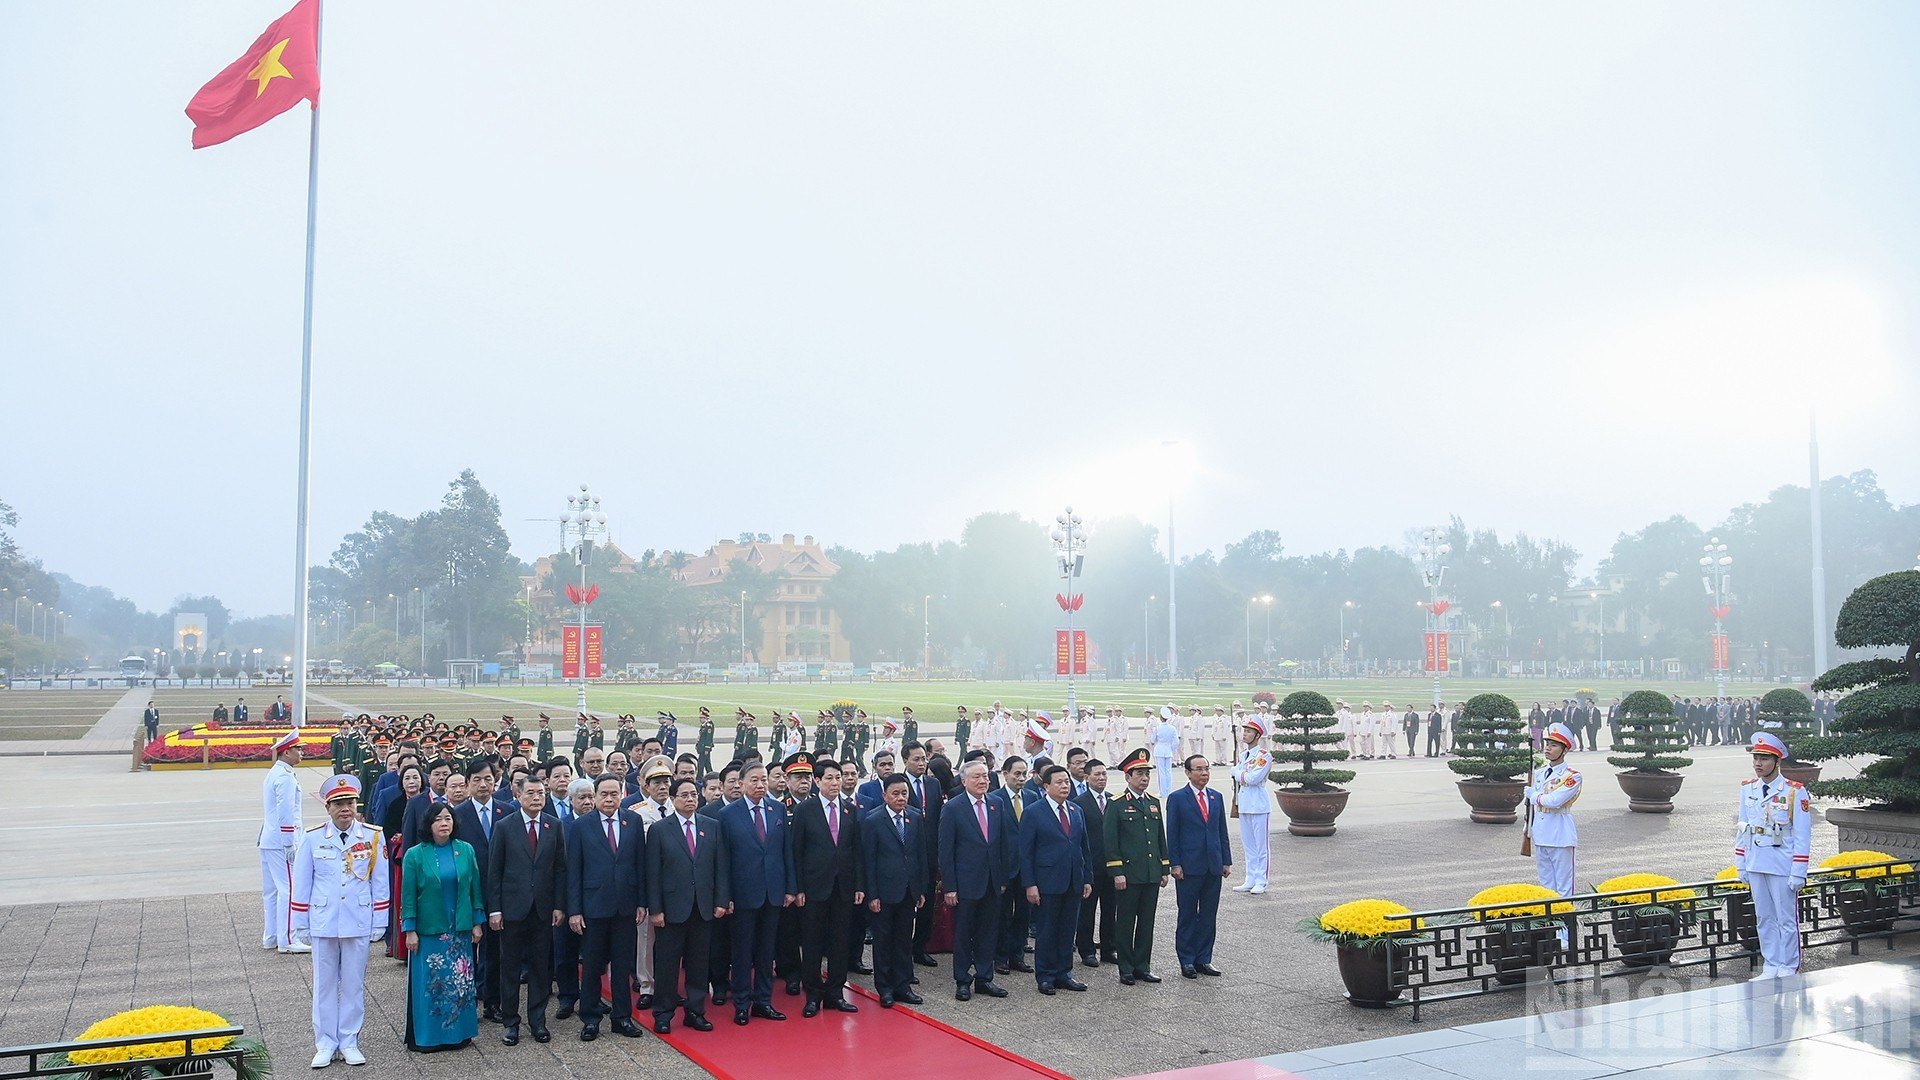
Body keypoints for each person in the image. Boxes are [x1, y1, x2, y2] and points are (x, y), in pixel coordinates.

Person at [293, 774, 389, 1068]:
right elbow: (302, 883)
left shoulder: (373, 836)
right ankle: (324, 1043)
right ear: (328, 808)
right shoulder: (312, 838)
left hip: (357, 919)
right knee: (323, 986)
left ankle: (349, 1041)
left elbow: (380, 881)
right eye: (338, 803)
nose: (344, 808)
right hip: (323, 920)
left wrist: (379, 920)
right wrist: (300, 924)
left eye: (349, 802)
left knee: (353, 985)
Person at [567, 775, 647, 1041]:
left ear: (622, 794)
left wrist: (641, 902)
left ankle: (622, 1017)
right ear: (596, 795)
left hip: (625, 907)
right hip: (594, 907)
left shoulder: (633, 821)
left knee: (622, 967)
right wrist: (575, 910)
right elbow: (574, 871)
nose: (610, 799)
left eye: (615, 793)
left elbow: (639, 866)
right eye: (604, 794)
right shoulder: (582, 826)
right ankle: (590, 1019)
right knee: (592, 967)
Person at [487, 776, 566, 1047]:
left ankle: (538, 1020)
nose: (536, 797)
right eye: (530, 793)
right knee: (509, 966)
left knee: (540, 967)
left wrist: (559, 905)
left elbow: (560, 869)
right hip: (511, 909)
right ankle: (511, 1022)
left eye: (540, 793)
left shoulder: (553, 826)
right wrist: (495, 909)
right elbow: (495, 871)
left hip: (543, 909)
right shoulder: (505, 826)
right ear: (518, 796)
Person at [399, 801, 483, 1054]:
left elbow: (474, 889)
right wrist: (409, 929)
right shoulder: (415, 854)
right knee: (432, 984)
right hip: (429, 930)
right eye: (438, 819)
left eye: (448, 818)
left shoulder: (465, 850)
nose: (444, 823)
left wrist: (478, 922)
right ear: (429, 824)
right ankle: (429, 1037)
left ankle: (459, 1034)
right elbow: (408, 895)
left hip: (460, 930)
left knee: (460, 983)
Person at [647, 778, 728, 1034]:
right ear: (673, 799)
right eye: (684, 795)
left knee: (699, 963)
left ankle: (695, 1011)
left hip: (703, 906)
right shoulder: (660, 829)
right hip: (671, 908)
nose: (691, 799)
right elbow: (653, 873)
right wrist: (655, 909)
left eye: (694, 794)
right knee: (668, 963)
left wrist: (721, 901)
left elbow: (720, 868)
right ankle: (663, 1012)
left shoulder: (711, 826)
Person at [719, 762, 795, 1025]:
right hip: (743, 894)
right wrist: (725, 895)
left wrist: (790, 888)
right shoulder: (728, 815)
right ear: (741, 783)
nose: (761, 785)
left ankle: (763, 1000)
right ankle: (742, 1002)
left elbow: (786, 852)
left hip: (772, 891)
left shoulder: (777, 809)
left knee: (766, 951)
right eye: (754, 780)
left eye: (764, 780)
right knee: (742, 951)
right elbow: (724, 859)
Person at [1735, 732, 1812, 980]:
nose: (1758, 763)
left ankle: (1788, 965)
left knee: (1786, 919)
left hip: (1782, 863)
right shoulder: (1748, 789)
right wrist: (1742, 864)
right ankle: (1771, 964)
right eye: (1756, 758)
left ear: (1776, 761)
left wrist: (1798, 871)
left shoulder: (1794, 792)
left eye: (1764, 759)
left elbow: (1802, 835)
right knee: (1764, 917)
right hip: (1757, 860)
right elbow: (1743, 827)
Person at [791, 756, 864, 1016]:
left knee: (840, 941)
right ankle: (813, 994)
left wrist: (859, 885)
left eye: (839, 777)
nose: (836, 783)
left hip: (843, 886)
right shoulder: (805, 810)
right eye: (830, 778)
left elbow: (856, 851)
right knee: (812, 942)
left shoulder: (850, 809)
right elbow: (796, 852)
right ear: (817, 781)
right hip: (814, 887)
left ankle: (835, 992)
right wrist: (798, 887)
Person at [940, 757, 1012, 1002]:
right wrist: (950, 887)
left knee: (988, 931)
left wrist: (1002, 878)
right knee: (963, 933)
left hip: (992, 881)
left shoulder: (997, 803)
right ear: (964, 780)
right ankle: (962, 979)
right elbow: (946, 851)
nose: (983, 781)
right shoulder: (953, 807)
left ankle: (984, 977)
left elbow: (1002, 843)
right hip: (965, 883)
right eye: (977, 777)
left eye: (985, 777)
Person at [1019, 763, 1092, 996]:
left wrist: (1087, 878)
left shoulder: (1075, 810)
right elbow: (1026, 851)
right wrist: (1030, 884)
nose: (1064, 786)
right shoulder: (1034, 812)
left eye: (1067, 782)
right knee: (1047, 930)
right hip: (1047, 881)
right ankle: (1046, 975)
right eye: (1059, 782)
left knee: (1067, 929)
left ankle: (1064, 972)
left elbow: (1084, 847)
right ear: (1046, 785)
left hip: (1073, 879)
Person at [860, 774, 928, 1008]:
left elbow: (920, 855)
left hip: (908, 890)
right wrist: (873, 894)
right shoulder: (873, 820)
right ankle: (885, 988)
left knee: (903, 941)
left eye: (904, 793)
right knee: (883, 941)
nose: (901, 798)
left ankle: (903, 985)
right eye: (895, 794)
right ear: (884, 796)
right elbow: (868, 860)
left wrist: (920, 888)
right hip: (884, 892)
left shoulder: (915, 817)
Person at [1104, 748, 1168, 985]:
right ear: (1127, 777)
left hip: (1150, 873)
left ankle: (1143, 965)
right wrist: (1117, 872)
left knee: (1146, 922)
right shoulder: (1117, 804)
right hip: (1129, 875)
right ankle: (1126, 968)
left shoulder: (1153, 803)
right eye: (1139, 774)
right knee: (1126, 922)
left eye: (1146, 774)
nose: (1144, 778)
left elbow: (1160, 837)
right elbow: (1111, 841)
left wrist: (1164, 868)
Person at [1164, 755, 1229, 979]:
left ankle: (1204, 958)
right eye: (1199, 769)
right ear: (1188, 772)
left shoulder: (1216, 797)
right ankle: (1187, 960)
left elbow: (1222, 831)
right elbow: (1172, 834)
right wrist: (1175, 863)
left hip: (1213, 865)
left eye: (1206, 769)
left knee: (1209, 915)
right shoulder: (1177, 798)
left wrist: (1225, 860)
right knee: (1188, 914)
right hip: (1189, 867)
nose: (1204, 773)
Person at [260, 729, 309, 954]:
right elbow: (286, 811)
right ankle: (288, 938)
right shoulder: (285, 777)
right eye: (298, 749)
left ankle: (271, 936)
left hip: (269, 839)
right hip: (281, 840)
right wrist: (290, 841)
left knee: (271, 891)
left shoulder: (275, 773)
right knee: (288, 889)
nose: (301, 752)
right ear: (287, 751)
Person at [1524, 723, 1583, 898]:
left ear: (1564, 750)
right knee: (1546, 885)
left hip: (1560, 834)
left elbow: (1555, 801)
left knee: (1564, 886)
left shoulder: (1571, 776)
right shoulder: (1541, 773)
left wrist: (1533, 795)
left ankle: (1565, 925)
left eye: (1554, 745)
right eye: (1547, 744)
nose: (1548, 748)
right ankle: (1549, 924)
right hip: (1541, 833)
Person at [900, 741, 945, 968]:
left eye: (923, 759)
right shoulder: (899, 785)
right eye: (916, 759)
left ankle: (921, 947)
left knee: (927, 904)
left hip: (929, 854)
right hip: (907, 855)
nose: (921, 763)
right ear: (905, 761)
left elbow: (936, 819)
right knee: (907, 906)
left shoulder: (933, 784)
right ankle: (904, 949)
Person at [1073, 759, 1117, 967]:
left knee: (1110, 910)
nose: (1101, 778)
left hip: (1111, 866)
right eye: (1097, 775)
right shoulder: (1079, 803)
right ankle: (1086, 950)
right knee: (1087, 911)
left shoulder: (1113, 800)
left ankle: (1109, 948)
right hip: (1090, 867)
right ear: (1087, 777)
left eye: (1104, 775)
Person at [1230, 717, 1273, 896]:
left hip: (1259, 804)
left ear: (1257, 735)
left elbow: (1254, 779)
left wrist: (1237, 773)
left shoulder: (1264, 755)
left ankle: (1261, 881)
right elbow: (1244, 777)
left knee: (1261, 846)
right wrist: (1241, 774)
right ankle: (1250, 878)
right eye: (1244, 731)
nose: (1245, 734)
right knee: (1249, 845)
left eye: (1248, 731)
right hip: (1245, 803)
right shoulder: (1243, 755)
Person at [1151, 707, 1180, 799]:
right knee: (1168, 771)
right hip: (1168, 750)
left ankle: (1163, 792)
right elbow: (1176, 742)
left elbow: (1152, 740)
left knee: (1161, 772)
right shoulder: (1172, 728)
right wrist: (1170, 748)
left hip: (1159, 750)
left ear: (1160, 717)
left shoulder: (1157, 728)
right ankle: (1168, 790)